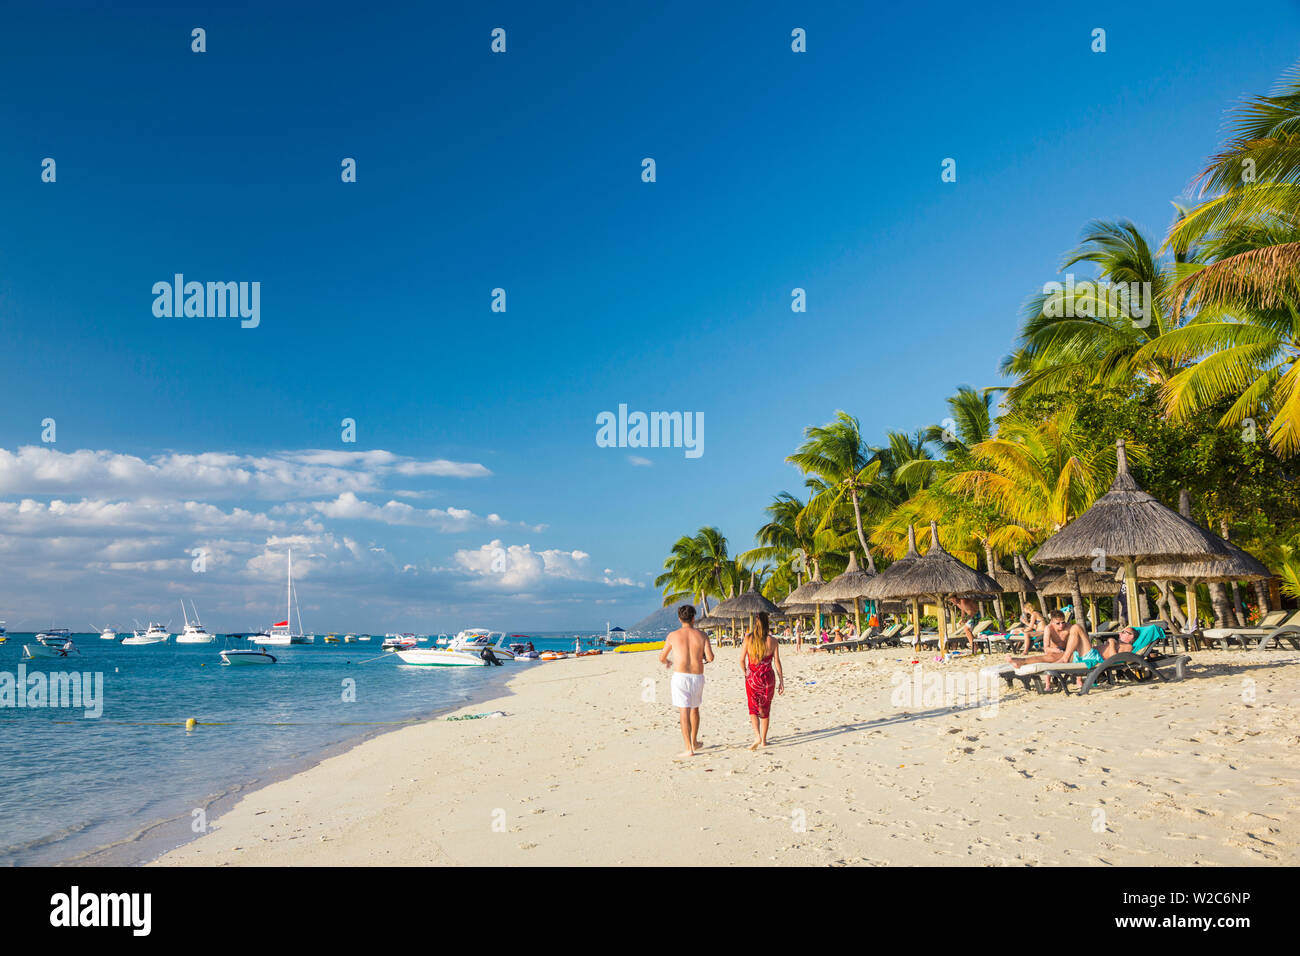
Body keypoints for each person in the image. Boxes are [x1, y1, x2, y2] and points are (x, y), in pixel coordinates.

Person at [658, 605, 714, 758]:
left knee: (684, 711)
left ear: (679, 618)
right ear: (694, 618)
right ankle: (694, 741)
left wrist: (668, 662)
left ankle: (689, 747)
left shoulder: (673, 635)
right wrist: (701, 655)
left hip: (680, 677)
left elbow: (662, 657)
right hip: (697, 676)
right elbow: (710, 658)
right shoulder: (702, 635)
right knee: (695, 709)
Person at [741, 612, 783, 749]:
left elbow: (741, 660)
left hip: (752, 677)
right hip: (768, 678)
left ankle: (757, 736)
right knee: (765, 709)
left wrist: (746, 672)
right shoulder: (773, 641)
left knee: (753, 708)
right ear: (767, 624)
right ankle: (764, 740)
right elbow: (777, 661)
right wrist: (781, 680)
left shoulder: (748, 639)